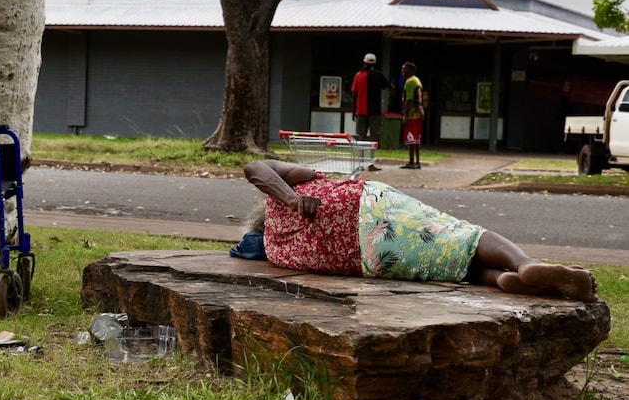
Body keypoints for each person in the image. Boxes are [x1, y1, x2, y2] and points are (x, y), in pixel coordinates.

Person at [239, 159, 598, 302]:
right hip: (369, 207)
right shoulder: (282, 197)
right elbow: (254, 166)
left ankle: (500, 280)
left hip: (370, 258)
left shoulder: (277, 252)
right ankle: (524, 264)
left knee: (445, 262)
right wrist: (289, 198)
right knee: (460, 234)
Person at [350, 53, 391, 171]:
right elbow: (389, 86)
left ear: (364, 62)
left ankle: (361, 163)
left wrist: (354, 110)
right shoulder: (379, 75)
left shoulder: (358, 75)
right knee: (374, 137)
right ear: (374, 63)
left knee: (361, 137)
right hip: (375, 111)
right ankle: (371, 164)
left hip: (361, 110)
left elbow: (354, 94)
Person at [400, 61, 424, 169]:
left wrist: (405, 115)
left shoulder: (409, 82)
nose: (403, 71)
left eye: (405, 69)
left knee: (411, 139)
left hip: (412, 114)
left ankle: (411, 162)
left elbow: (409, 100)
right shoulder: (417, 80)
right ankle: (417, 162)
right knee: (417, 139)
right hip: (419, 113)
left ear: (411, 70)